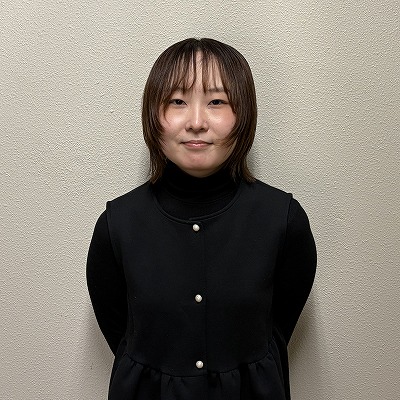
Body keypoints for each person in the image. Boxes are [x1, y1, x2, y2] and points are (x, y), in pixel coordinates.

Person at [87, 38, 317, 400]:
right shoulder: (118, 224)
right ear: (153, 114)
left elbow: (277, 327)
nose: (196, 122)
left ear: (244, 114)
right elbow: (120, 330)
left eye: (217, 102)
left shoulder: (282, 219)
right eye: (177, 102)